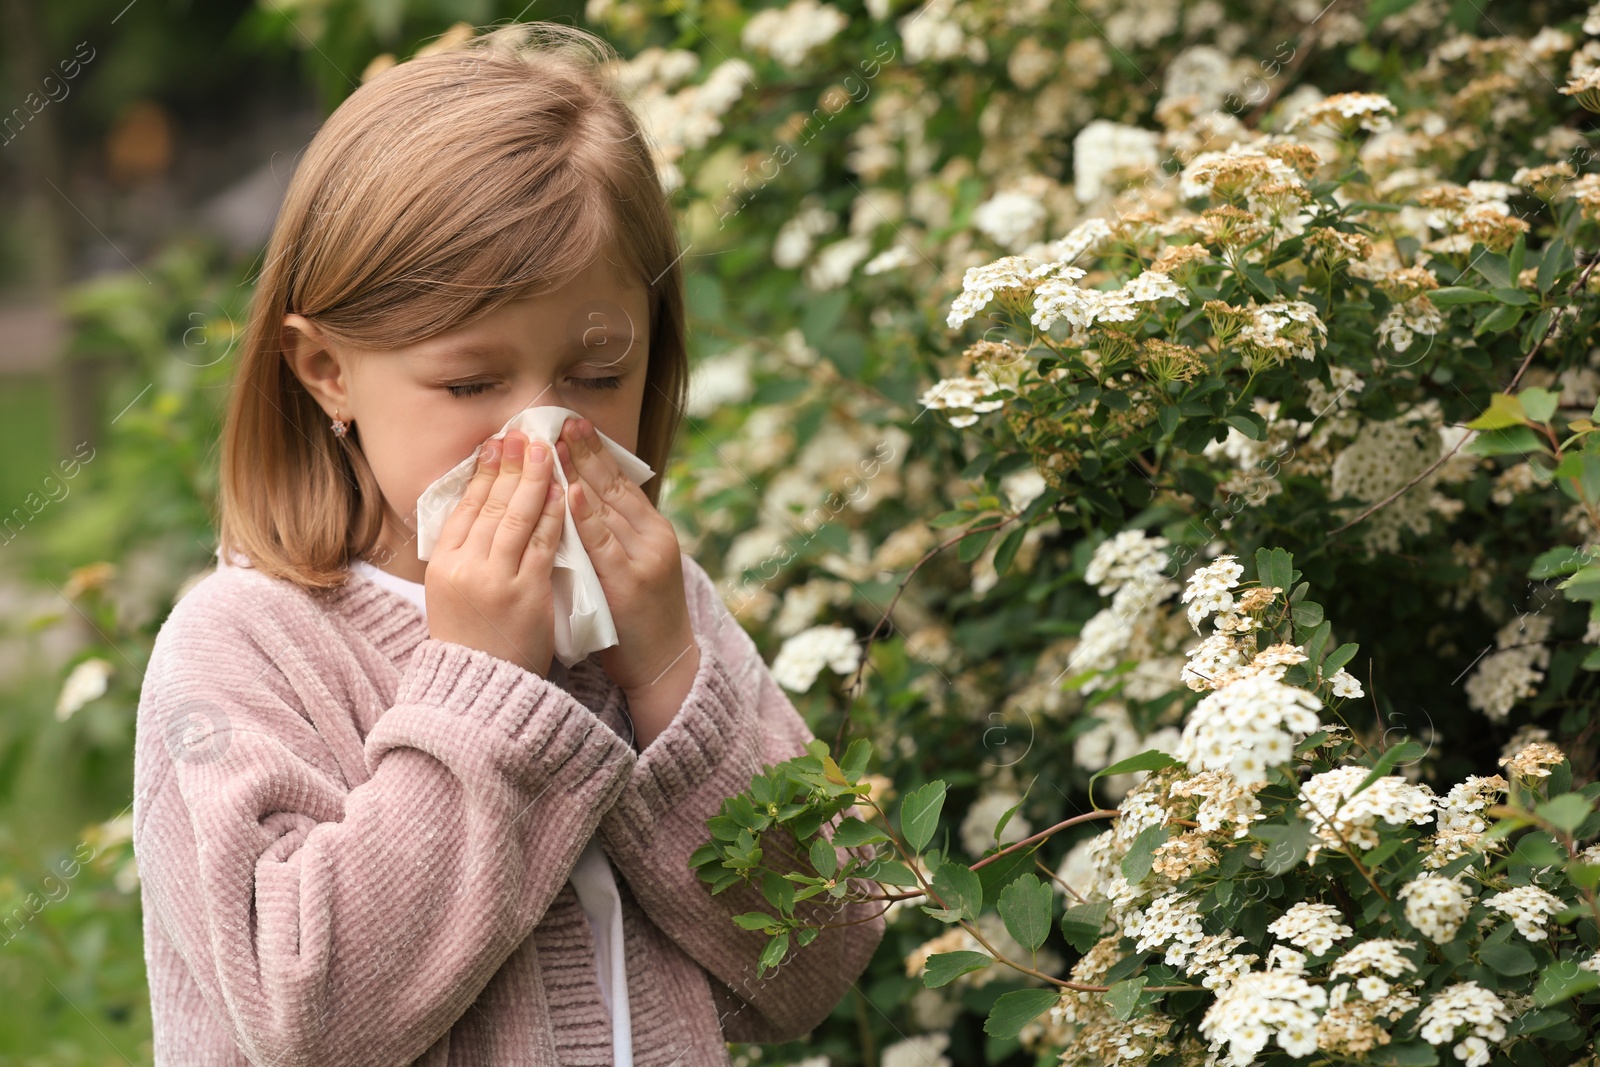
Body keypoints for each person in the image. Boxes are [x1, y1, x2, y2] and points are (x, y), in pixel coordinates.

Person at [130, 21, 886, 1067]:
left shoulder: (653, 602)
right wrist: (481, 684)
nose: (541, 433)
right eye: (471, 383)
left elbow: (816, 959)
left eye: (596, 373)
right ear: (327, 372)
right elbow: (313, 1020)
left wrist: (670, 672)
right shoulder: (244, 645)